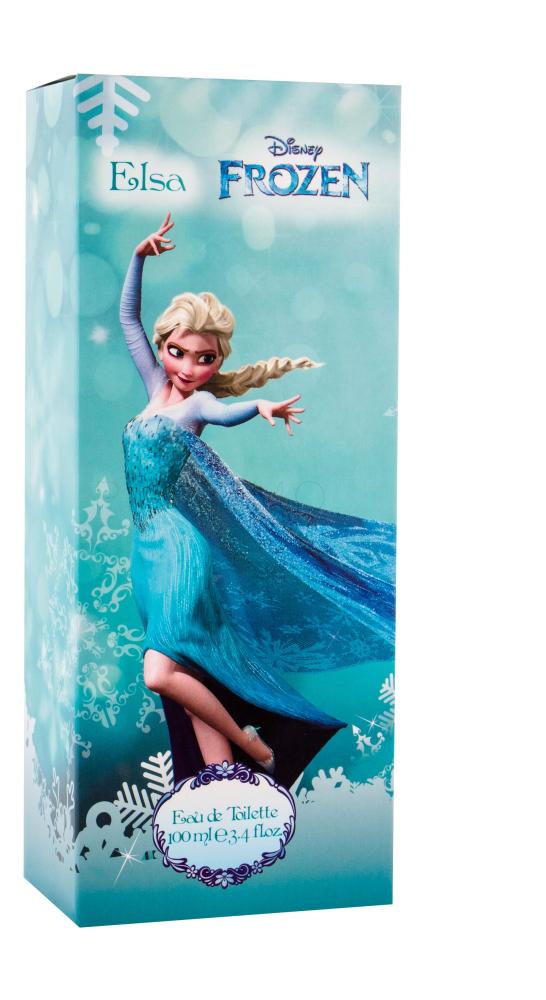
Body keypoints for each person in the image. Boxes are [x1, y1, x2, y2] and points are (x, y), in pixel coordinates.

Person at [120, 212, 395, 787]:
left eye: (206, 359)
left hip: (178, 546)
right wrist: (139, 258)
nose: (190, 368)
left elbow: (225, 412)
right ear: (164, 348)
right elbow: (127, 318)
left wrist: (261, 406)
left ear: (218, 362)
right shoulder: (155, 388)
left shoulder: (196, 406)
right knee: (192, 670)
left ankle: (253, 745)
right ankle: (224, 782)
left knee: (159, 672)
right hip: (146, 550)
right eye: (179, 352)